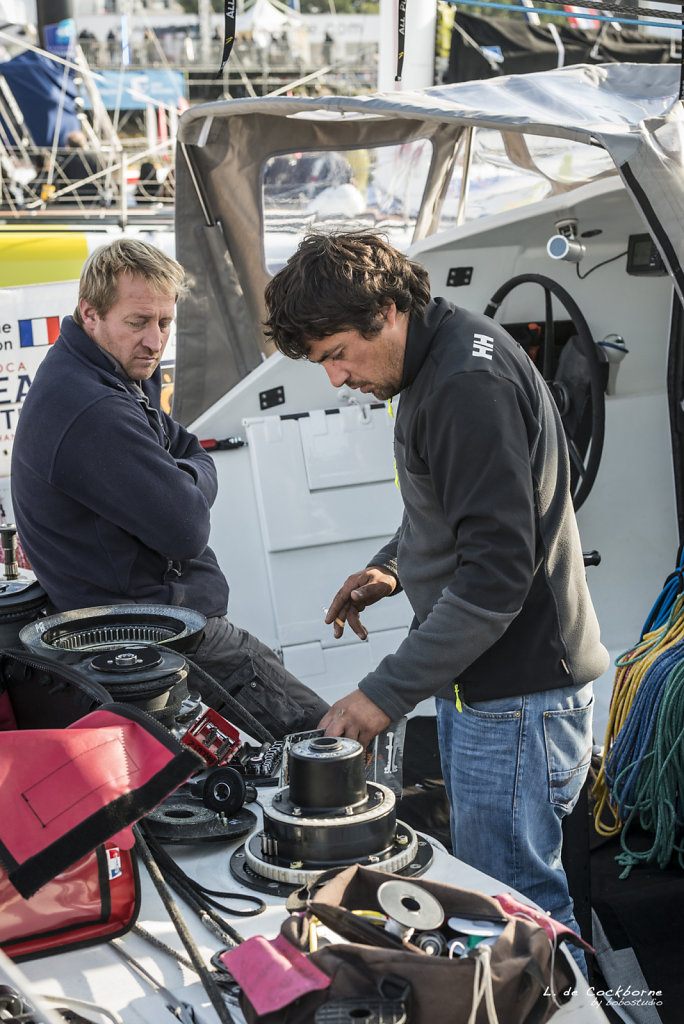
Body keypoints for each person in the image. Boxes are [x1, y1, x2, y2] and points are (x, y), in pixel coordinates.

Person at [263, 231, 610, 973]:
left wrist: (380, 694)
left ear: (386, 311)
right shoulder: (439, 362)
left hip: (515, 697)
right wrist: (392, 567)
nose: (336, 378)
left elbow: (494, 578)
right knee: (508, 903)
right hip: (497, 688)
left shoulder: (462, 386)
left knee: (517, 910)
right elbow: (456, 511)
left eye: (336, 354)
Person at [11, 239, 328, 739]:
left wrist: (188, 471)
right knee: (325, 734)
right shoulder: (93, 407)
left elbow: (187, 449)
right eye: (138, 322)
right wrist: (191, 475)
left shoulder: (109, 371)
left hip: (141, 622)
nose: (154, 342)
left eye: (165, 323)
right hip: (153, 634)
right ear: (90, 314)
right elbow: (186, 526)